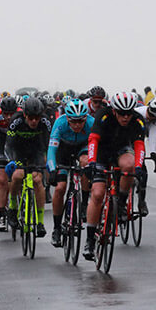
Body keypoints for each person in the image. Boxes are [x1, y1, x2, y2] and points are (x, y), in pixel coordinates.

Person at [82, 92, 146, 260]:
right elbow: (93, 140)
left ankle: (122, 203)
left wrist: (139, 167)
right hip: (102, 152)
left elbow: (139, 146)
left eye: (128, 113)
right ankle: (89, 239)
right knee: (97, 194)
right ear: (114, 111)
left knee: (129, 166)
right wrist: (91, 162)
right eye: (122, 113)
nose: (126, 117)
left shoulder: (137, 120)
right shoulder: (103, 116)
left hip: (121, 150)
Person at [46, 98, 94, 247]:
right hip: (63, 151)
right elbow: (51, 150)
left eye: (81, 121)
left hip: (82, 148)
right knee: (60, 188)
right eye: (74, 121)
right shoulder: (59, 124)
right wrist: (52, 169)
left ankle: (84, 204)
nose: (78, 125)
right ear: (67, 118)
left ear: (85, 118)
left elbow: (97, 147)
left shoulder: (91, 123)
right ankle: (56, 228)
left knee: (86, 164)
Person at [4, 97, 51, 238]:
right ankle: (12, 206)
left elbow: (50, 145)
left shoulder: (45, 122)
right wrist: (11, 161)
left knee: (37, 180)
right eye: (31, 118)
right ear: (25, 115)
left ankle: (40, 222)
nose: (34, 121)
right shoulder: (15, 121)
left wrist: (49, 162)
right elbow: (9, 145)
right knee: (18, 175)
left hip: (36, 150)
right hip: (18, 151)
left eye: (37, 118)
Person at [0, 96, 20, 231]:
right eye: (6, 114)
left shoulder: (21, 115)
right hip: (2, 143)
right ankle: (2, 215)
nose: (8, 117)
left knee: (19, 178)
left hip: (17, 143)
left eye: (11, 114)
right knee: (2, 180)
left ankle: (21, 209)